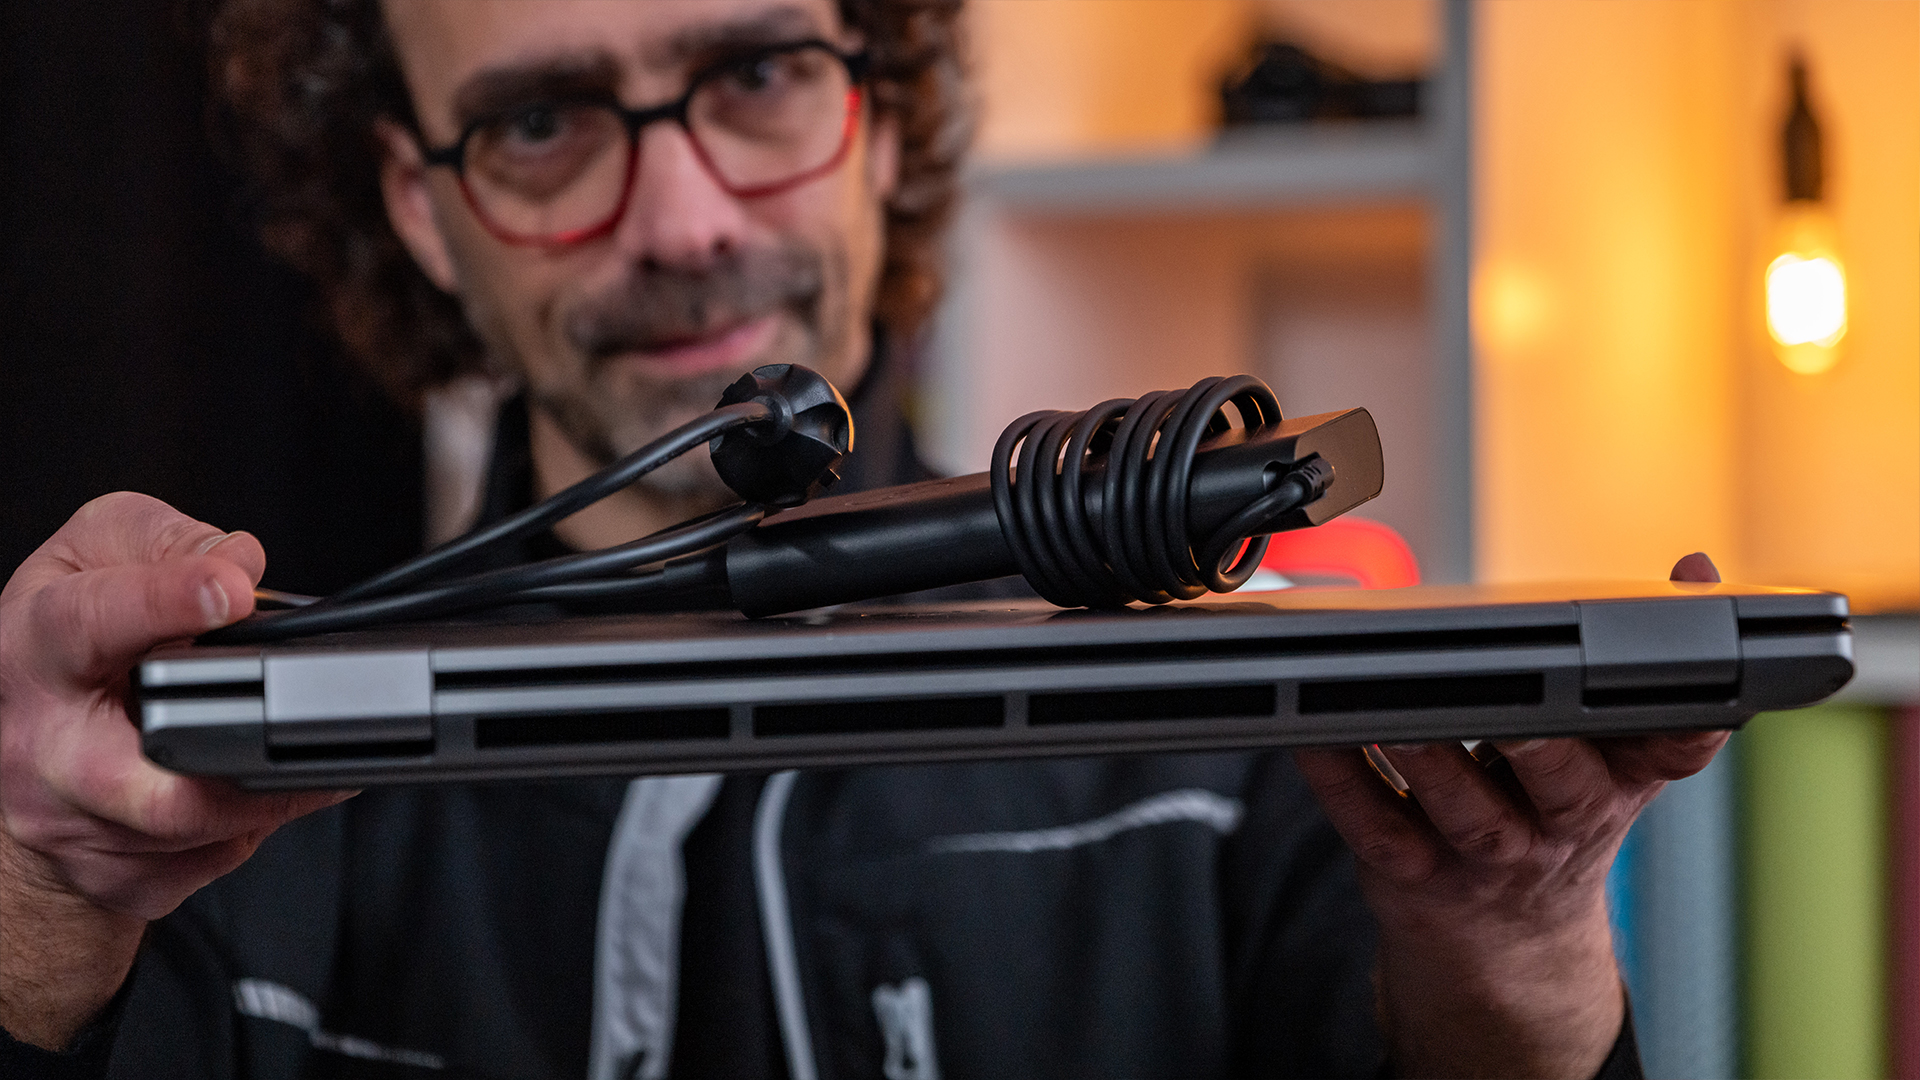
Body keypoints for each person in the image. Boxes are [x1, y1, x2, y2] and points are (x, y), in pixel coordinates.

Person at [0, 1, 1729, 1076]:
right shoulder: (227, 792)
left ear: (882, 118)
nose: (684, 221)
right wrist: (33, 907)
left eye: (758, 74)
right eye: (539, 124)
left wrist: (1517, 958)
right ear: (422, 206)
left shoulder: (1245, 749)